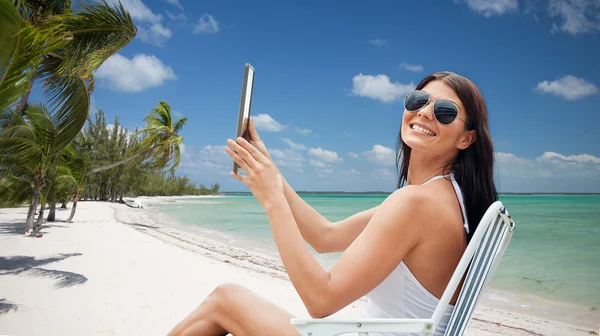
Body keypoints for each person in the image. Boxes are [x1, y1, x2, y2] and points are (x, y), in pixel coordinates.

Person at [167, 71, 497, 336]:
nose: (425, 112)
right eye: (419, 99)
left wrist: (272, 200)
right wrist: (271, 172)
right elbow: (325, 236)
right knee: (225, 302)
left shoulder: (417, 202)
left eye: (445, 111)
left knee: (226, 300)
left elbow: (320, 300)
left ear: (466, 138)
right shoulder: (443, 197)